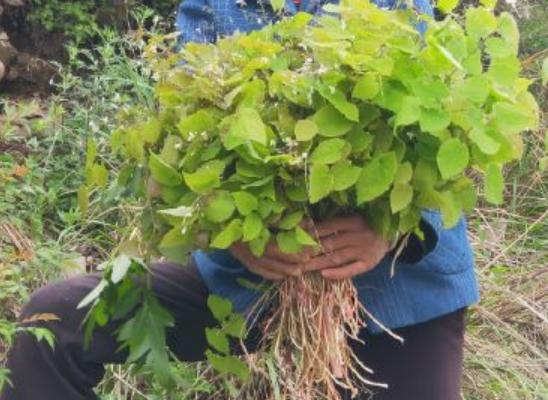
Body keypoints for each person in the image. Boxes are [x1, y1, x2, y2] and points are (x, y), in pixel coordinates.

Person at [0, 1, 479, 399]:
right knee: (53, 321)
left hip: (398, 282)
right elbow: (186, 134)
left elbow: (434, 130)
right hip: (252, 275)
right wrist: (231, 239)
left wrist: (387, 231)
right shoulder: (213, 6)